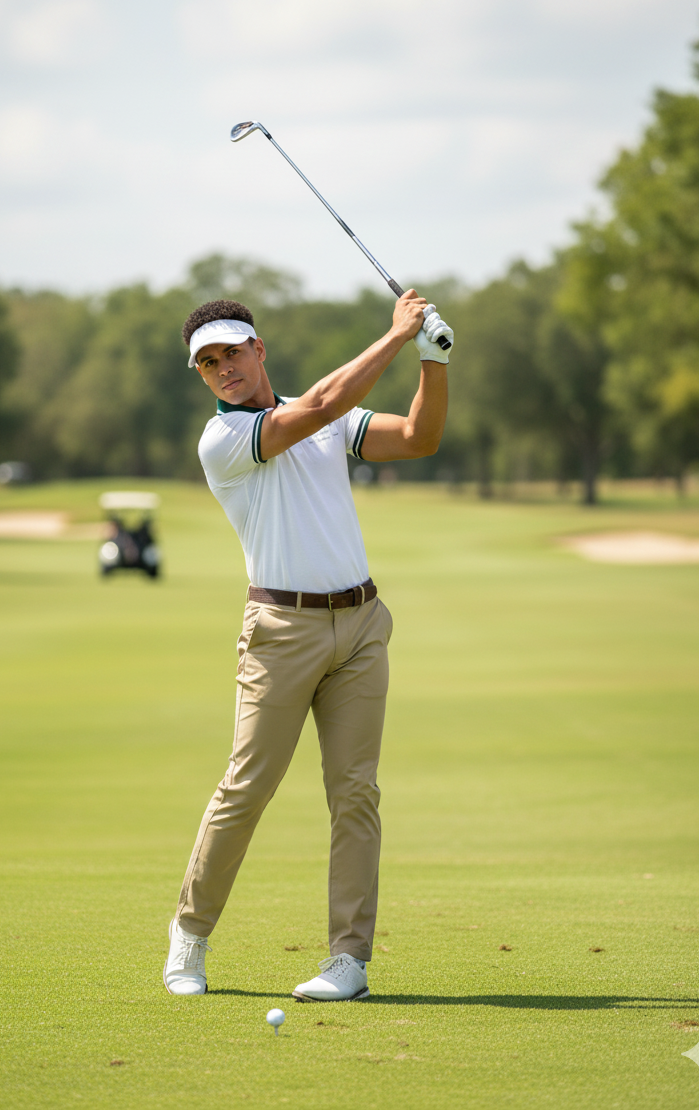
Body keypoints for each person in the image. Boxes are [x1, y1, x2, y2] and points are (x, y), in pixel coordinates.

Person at [164, 288, 452, 1001]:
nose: (223, 368)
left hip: (360, 626)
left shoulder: (327, 418)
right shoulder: (224, 440)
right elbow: (318, 407)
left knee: (355, 793)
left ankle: (348, 961)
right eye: (208, 362)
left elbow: (418, 439)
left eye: (232, 351)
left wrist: (431, 361)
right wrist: (394, 335)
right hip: (280, 634)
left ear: (259, 349)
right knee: (248, 786)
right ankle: (189, 937)